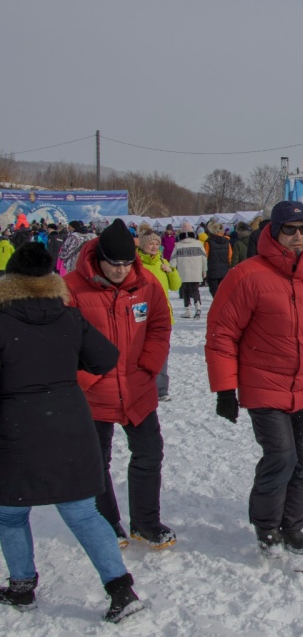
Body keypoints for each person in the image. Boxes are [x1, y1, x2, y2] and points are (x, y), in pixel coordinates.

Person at [205, 200, 303, 558]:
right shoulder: (247, 276)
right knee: (281, 456)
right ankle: (266, 527)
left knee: (301, 461)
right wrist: (224, 389)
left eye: (302, 229)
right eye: (288, 230)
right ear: (274, 232)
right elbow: (222, 335)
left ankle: (291, 526)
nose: (296, 236)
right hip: (264, 384)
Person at [0, 243, 143, 623]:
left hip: (15, 425)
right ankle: (121, 591)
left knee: (10, 514)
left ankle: (22, 587)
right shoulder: (68, 317)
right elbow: (106, 357)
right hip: (70, 421)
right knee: (82, 511)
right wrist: (62, 378)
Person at [65, 219, 175, 549]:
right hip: (92, 392)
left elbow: (159, 326)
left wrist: (149, 366)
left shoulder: (146, 284)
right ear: (99, 258)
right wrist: (84, 377)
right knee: (97, 461)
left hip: (137, 387)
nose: (121, 270)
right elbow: (60, 341)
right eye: (114, 263)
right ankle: (106, 520)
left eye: (127, 263)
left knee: (149, 453)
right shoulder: (71, 288)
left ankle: (145, 521)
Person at [137, 227, 181, 401]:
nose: (154, 247)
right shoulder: (136, 264)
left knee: (161, 352)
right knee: (140, 353)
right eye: (150, 244)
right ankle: (141, 386)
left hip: (163, 316)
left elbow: (176, 286)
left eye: (157, 243)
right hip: (142, 315)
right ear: (142, 245)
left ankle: (161, 390)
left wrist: (171, 271)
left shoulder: (162, 262)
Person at [171, 221, 207, 318]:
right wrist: (204, 270)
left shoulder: (178, 245)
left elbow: (173, 260)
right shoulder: (198, 244)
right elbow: (204, 258)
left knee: (185, 291)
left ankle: (188, 310)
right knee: (195, 290)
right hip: (196, 272)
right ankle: (198, 307)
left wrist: (172, 270)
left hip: (183, 272)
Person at [204, 221, 231, 297]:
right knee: (223, 292)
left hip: (212, 271)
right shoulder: (227, 242)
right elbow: (230, 256)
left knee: (214, 292)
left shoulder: (208, 242)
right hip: (224, 271)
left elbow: (205, 256)